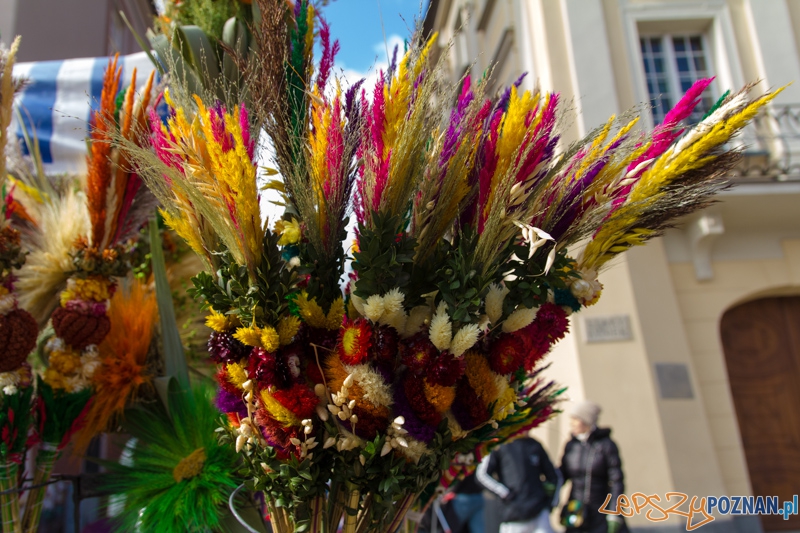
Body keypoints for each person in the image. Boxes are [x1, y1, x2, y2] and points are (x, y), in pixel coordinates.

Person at [559, 401, 628, 533]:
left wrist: (615, 512)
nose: (571, 423)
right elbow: (562, 475)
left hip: (600, 511)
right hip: (576, 511)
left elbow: (616, 482)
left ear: (586, 421)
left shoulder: (606, 445)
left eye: (575, 419)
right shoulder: (571, 446)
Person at [476, 432, 561, 533]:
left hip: (538, 513)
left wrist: (550, 503)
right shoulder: (500, 445)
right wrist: (505, 493)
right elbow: (482, 475)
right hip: (513, 515)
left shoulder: (535, 445)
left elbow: (554, 476)